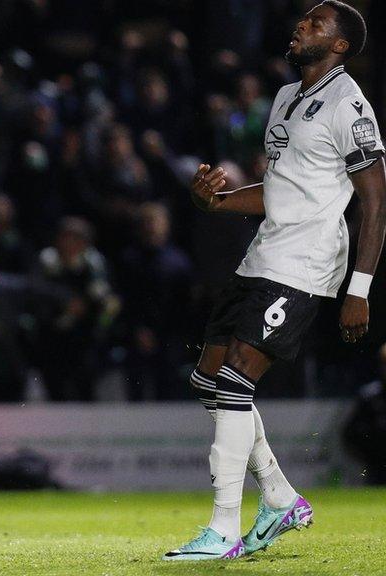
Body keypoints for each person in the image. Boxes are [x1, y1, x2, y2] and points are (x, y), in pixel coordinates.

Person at [165, 1, 385, 561]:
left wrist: (358, 289)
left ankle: (222, 530)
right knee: (207, 380)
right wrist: (214, 201)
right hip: (263, 254)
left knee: (236, 383)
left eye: (316, 23)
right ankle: (281, 497)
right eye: (303, 19)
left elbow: (375, 202)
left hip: (306, 263)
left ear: (339, 45)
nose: (301, 25)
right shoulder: (287, 99)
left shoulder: (349, 106)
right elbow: (277, 191)